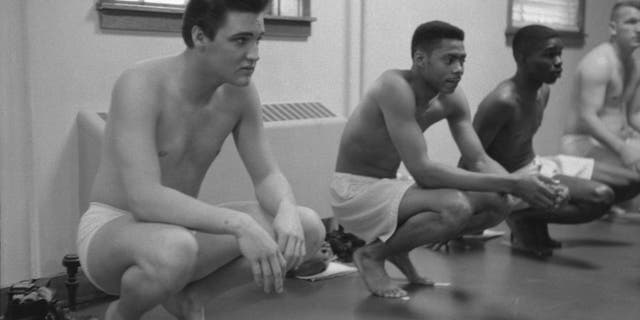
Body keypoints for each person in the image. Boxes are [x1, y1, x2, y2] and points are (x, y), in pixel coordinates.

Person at [75, 1, 325, 319]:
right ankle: (120, 314)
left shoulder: (241, 94)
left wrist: (287, 210)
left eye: (258, 39)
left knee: (308, 227)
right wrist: (240, 224)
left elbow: (266, 176)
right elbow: (144, 199)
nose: (255, 53)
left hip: (181, 232)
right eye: (240, 39)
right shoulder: (140, 84)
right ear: (200, 37)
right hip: (112, 231)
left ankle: (192, 298)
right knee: (176, 249)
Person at [329, 20, 559, 299]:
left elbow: (478, 158)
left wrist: (523, 183)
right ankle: (372, 255)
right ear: (420, 59)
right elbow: (423, 171)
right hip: (355, 190)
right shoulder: (394, 87)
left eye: (462, 60)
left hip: (391, 184)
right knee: (455, 207)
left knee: (499, 204)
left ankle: (398, 248)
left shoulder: (452, 98)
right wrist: (513, 182)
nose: (458, 69)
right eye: (449, 60)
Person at [473, 25, 640, 257]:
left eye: (559, 53)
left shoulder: (543, 91)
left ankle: (531, 216)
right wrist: (466, 222)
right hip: (513, 179)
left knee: (632, 181)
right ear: (522, 58)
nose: (559, 61)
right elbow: (471, 158)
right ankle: (521, 218)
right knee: (601, 196)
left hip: (537, 163)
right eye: (550, 54)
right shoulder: (502, 101)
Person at [563, 1, 640, 213]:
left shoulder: (633, 65)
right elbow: (587, 119)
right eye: (631, 22)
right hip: (583, 145)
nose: (639, 29)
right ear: (613, 28)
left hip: (615, 143)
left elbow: (633, 115)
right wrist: (624, 149)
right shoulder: (599, 62)